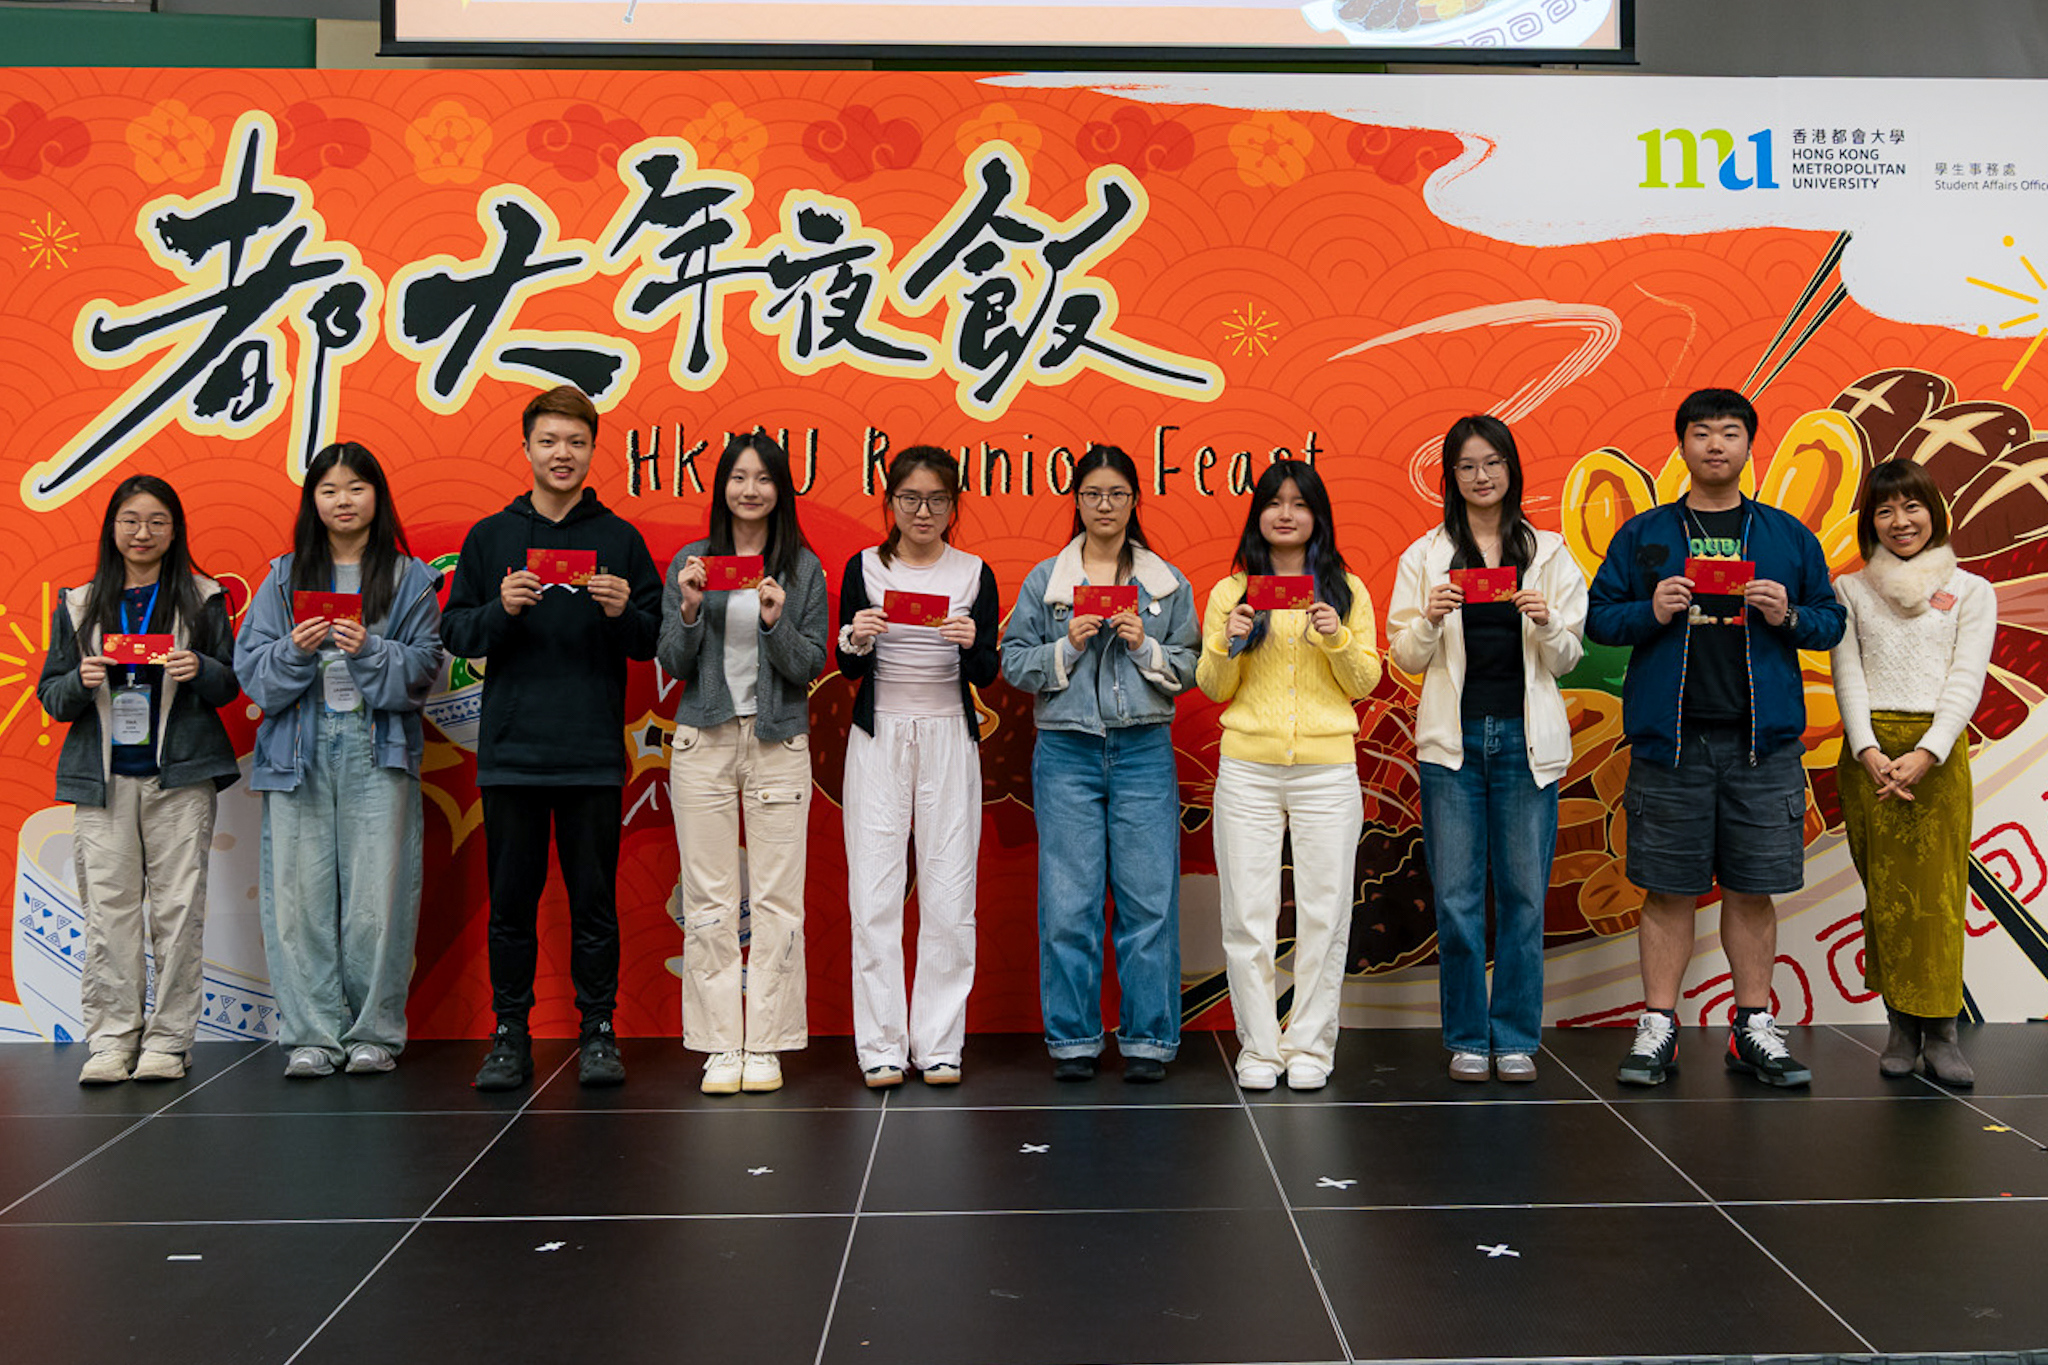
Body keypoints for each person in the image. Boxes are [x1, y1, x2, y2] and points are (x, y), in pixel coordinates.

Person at [1586, 388, 1845, 1088]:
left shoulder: (1786, 535)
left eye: (1730, 432)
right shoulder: (1645, 533)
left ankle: (1753, 1025)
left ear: (1749, 446)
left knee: (1753, 890)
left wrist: (1790, 614)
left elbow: (1830, 623)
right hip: (1671, 745)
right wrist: (1650, 609)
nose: (1716, 445)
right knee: (1667, 890)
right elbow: (1599, 619)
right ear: (1682, 446)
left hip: (1763, 746)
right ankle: (1658, 1026)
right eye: (1701, 433)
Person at [440, 385, 663, 1090]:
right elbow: (456, 632)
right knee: (511, 907)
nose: (562, 453)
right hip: (511, 755)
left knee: (594, 905)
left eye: (575, 442)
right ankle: (510, 1033)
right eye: (549, 441)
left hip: (591, 754)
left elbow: (654, 639)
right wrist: (499, 610)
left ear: (593, 450)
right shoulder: (491, 537)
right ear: (528, 448)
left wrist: (625, 611)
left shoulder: (620, 539)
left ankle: (599, 1031)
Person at [235, 442, 444, 1078]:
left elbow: (424, 671)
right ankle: (312, 1035)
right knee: (298, 899)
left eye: (356, 487)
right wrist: (295, 651)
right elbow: (253, 673)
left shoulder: (409, 578)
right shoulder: (283, 577)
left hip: (377, 749)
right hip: (295, 752)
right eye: (329, 490)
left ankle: (374, 1032)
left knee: (379, 898)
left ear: (377, 496)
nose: (343, 500)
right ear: (313, 501)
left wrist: (372, 650)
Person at [1387, 416, 1586, 1083]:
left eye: (1492, 463)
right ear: (1451, 476)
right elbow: (1405, 655)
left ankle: (1517, 1036)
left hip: (1527, 743)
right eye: (1467, 465)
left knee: (1525, 896)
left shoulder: (1549, 552)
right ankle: (1469, 1036)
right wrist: (1431, 616)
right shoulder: (1426, 556)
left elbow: (1568, 657)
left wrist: (1546, 620)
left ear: (1511, 469)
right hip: (1454, 745)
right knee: (1456, 899)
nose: (1481, 477)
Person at [1000, 444, 1199, 1084]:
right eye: (1092, 494)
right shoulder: (1047, 581)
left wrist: (1147, 648)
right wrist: (1064, 646)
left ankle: (1148, 1040)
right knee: (1068, 903)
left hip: (1143, 750)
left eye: (1116, 494)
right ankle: (1073, 1041)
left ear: (1134, 501)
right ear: (1077, 501)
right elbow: (1012, 662)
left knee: (1149, 901)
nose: (1104, 506)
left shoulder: (1165, 584)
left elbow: (1194, 666)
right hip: (1067, 750)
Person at [37, 475, 240, 1084]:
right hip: (102, 783)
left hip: (179, 780)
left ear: (175, 531)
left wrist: (199, 667)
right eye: (129, 520)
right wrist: (81, 682)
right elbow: (52, 696)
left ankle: (169, 1042)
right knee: (109, 914)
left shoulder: (204, 598)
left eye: (156, 521)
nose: (142, 533)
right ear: (112, 529)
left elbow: (229, 684)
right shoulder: (79, 603)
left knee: (178, 912)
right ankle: (111, 1041)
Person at [1196, 460, 1381, 1091]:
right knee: (1246, 915)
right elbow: (1213, 686)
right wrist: (1227, 640)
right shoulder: (1232, 592)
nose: (1286, 514)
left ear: (1317, 516)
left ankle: (1309, 1045)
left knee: (1324, 915)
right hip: (1247, 769)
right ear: (1258, 516)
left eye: (1300, 504)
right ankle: (1258, 1046)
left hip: (1327, 770)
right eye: (1274, 502)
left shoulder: (1347, 590)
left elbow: (1365, 682)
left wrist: (1336, 637)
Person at [657, 431, 829, 1096]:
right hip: (702, 741)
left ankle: (767, 1045)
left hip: (777, 742)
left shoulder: (802, 568)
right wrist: (689, 608)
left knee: (779, 900)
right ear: (722, 486)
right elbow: (673, 660)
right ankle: (719, 1045)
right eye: (738, 477)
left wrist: (774, 621)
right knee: (709, 898)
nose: (750, 490)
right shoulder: (692, 561)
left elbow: (809, 665)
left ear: (780, 490)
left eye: (763, 478)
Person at [836, 446, 1001, 1088]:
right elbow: (848, 667)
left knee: (950, 892)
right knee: (873, 892)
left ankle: (939, 1044)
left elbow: (987, 671)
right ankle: (880, 1045)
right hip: (879, 738)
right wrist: (858, 635)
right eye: (910, 499)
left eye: (936, 500)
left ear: (954, 505)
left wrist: (972, 644)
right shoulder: (864, 568)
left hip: (949, 737)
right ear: (891, 503)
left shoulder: (973, 573)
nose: (923, 512)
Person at [1831, 460, 1994, 1086]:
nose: (1900, 521)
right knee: (1886, 895)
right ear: (1870, 522)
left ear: (1934, 512)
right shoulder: (1850, 589)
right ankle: (1900, 1025)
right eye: (1884, 510)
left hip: (1938, 761)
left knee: (1939, 896)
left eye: (1912, 506)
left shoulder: (1972, 589)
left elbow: (1966, 677)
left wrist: (1929, 751)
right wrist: (1867, 749)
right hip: (1869, 760)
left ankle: (1943, 1031)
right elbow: (1847, 671)